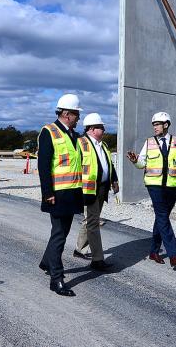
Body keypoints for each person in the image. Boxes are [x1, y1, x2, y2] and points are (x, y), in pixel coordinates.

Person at [126, 111, 176, 269]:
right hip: (154, 185)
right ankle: (174, 255)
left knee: (162, 218)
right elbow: (142, 164)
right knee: (162, 216)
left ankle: (153, 251)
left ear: (166, 124)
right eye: (153, 125)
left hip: (172, 185)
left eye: (157, 124)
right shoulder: (149, 142)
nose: (155, 127)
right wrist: (135, 161)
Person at [37, 94, 84, 297]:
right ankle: (56, 279)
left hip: (72, 193)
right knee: (59, 236)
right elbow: (43, 166)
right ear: (66, 114)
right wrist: (47, 193)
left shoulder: (74, 136)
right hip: (56, 194)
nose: (78, 118)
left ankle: (46, 262)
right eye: (76, 114)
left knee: (61, 233)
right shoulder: (49, 132)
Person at [73, 113, 118, 271]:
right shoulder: (80, 143)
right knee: (93, 223)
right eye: (100, 127)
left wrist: (114, 180)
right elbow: (75, 167)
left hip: (102, 188)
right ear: (91, 129)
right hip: (88, 190)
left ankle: (79, 249)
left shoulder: (103, 145)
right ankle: (98, 259)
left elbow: (109, 164)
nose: (104, 129)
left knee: (91, 219)